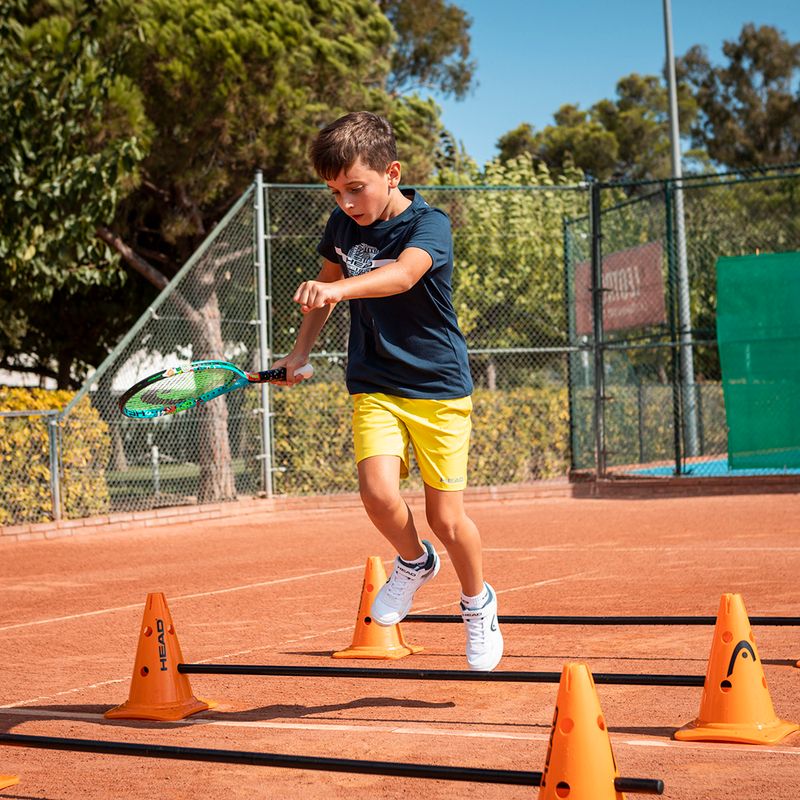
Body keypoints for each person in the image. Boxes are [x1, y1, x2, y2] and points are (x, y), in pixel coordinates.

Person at [273, 111, 503, 671]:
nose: (347, 203)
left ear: (391, 172)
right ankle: (414, 561)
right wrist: (300, 354)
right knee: (377, 494)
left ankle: (477, 602)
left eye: (356, 188)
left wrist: (340, 289)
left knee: (447, 520)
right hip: (374, 379)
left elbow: (401, 276)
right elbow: (326, 288)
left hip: (437, 385)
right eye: (334, 192)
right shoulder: (342, 227)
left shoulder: (430, 226)